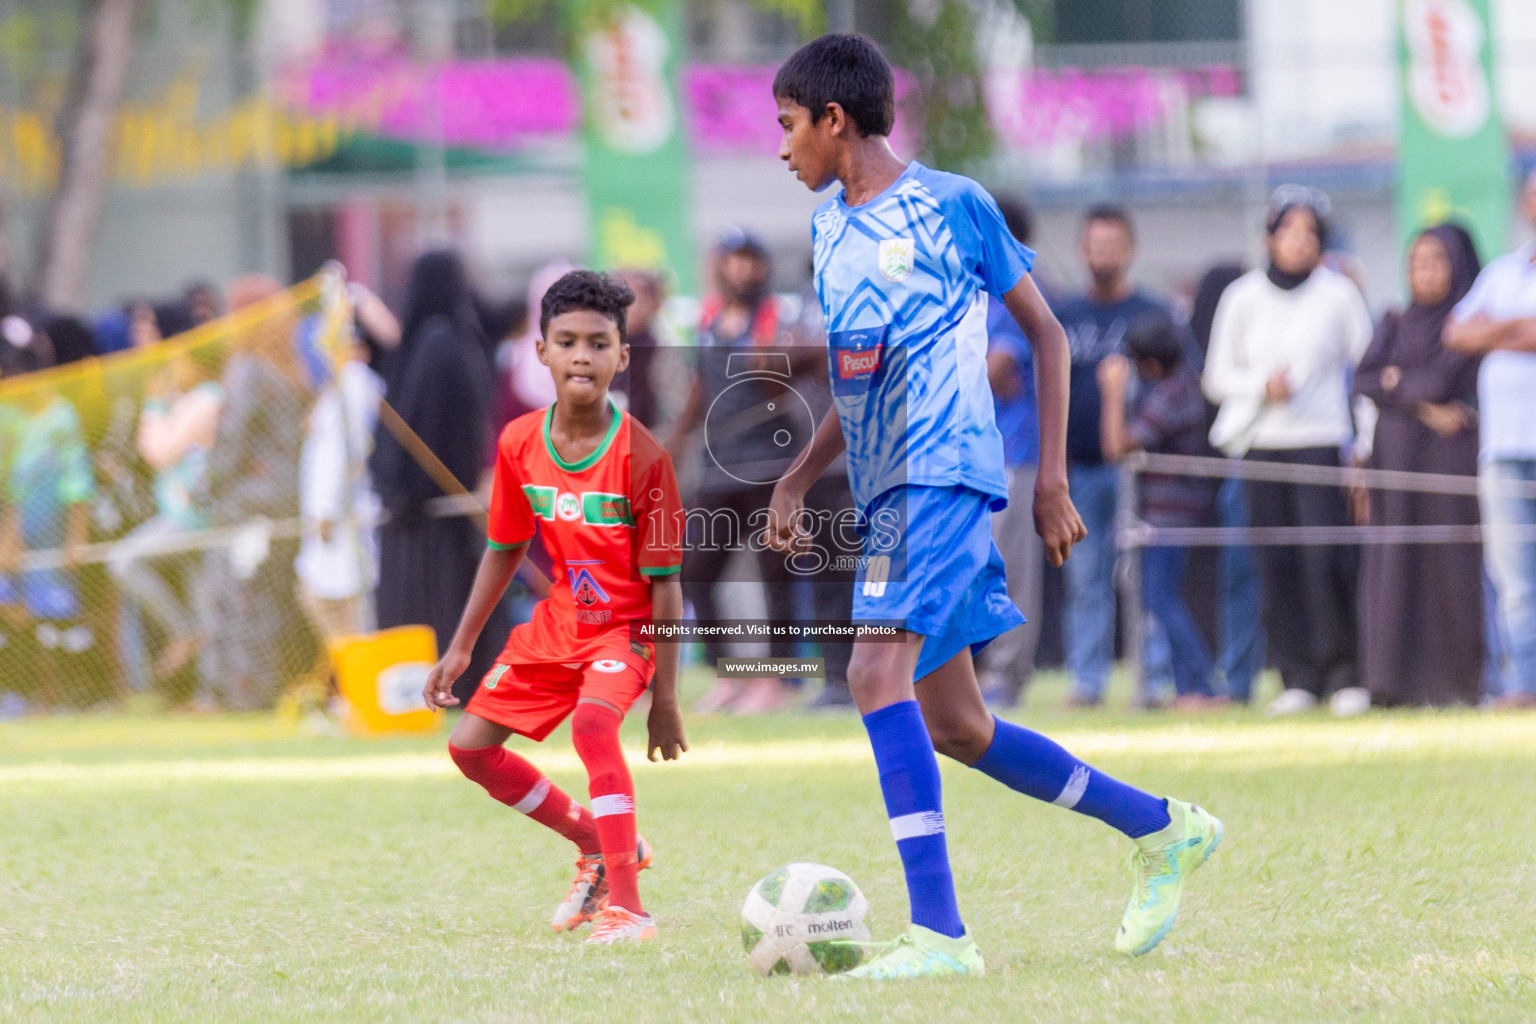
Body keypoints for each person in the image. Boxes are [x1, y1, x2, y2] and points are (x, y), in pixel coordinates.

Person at [765, 34, 1223, 979]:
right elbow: (861, 388)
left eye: (788, 127)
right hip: (888, 484)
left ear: (834, 119)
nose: (783, 150)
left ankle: (939, 937)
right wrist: (799, 475)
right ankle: (1164, 829)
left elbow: (1049, 338)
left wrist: (1049, 477)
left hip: (947, 471)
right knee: (958, 726)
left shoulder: (953, 204)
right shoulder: (826, 231)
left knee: (868, 677)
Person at [422, 270, 686, 945]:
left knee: (594, 728)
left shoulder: (644, 458)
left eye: (598, 344)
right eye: (565, 341)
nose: (581, 356)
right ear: (539, 351)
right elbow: (505, 548)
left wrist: (666, 699)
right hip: (557, 626)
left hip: (625, 631)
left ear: (622, 357)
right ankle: (597, 843)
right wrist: (460, 646)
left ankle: (628, 909)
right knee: (470, 749)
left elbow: (666, 587)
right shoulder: (517, 443)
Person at [1202, 187, 1373, 716]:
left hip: (1320, 444)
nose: (1299, 243)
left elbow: (1364, 373)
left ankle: (1345, 673)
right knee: (1275, 563)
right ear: (1269, 236)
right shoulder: (1242, 297)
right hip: (1262, 448)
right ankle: (1297, 677)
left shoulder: (1338, 294)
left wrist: (1363, 447)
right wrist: (1260, 386)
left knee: (1327, 560)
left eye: (1310, 234)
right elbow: (1215, 377)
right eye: (1289, 231)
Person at [664, 230, 802, 714]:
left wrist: (769, 356)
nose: (742, 270)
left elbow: (786, 382)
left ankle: (777, 680)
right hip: (718, 467)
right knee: (694, 571)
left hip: (771, 464)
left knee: (775, 575)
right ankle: (730, 675)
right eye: (733, 260)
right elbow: (700, 386)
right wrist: (677, 441)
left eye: (750, 260)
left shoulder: (778, 317)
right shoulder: (706, 318)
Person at [1351, 224, 1484, 708]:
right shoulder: (1393, 321)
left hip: (1446, 464)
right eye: (1416, 263)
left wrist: (1399, 385)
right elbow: (1366, 378)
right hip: (1395, 461)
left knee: (1448, 563)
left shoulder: (1466, 325)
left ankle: (1455, 683)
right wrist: (1425, 406)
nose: (1424, 273)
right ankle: (1391, 683)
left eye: (1436, 262)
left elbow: (1441, 376)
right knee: (1394, 561)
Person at [371, 251, 508, 706]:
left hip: (428, 511)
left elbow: (421, 430)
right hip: (449, 505)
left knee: (433, 604)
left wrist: (402, 491)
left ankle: (440, 688)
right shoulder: (462, 341)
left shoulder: (435, 345)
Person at [1053, 205, 1173, 707]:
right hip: (1079, 471)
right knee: (1085, 581)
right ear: (1083, 250)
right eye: (1094, 245)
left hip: (1140, 471)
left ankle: (1155, 679)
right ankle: (1088, 681)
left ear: (1131, 250)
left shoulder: (1154, 313)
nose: (1102, 255)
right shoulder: (1064, 316)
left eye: (1112, 245)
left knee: (1146, 581)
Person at [1445, 170, 1536, 710]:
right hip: (1502, 451)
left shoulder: (1500, 289)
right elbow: (1457, 333)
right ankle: (1521, 685)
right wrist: (1517, 327)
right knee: (1513, 579)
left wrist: (1495, 329)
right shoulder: (1504, 272)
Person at [1098, 312, 1221, 707]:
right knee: (1160, 598)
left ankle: (1200, 685)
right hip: (1173, 510)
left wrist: (1112, 392)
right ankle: (1189, 685)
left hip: (1171, 513)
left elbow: (1118, 447)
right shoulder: (1182, 384)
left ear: (1149, 363)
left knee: (1160, 599)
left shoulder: (1172, 394)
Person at [976, 197, 1045, 709]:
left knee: (1010, 571)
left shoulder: (1012, 298)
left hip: (1011, 454)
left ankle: (1008, 674)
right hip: (962, 458)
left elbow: (998, 371)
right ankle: (976, 674)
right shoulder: (964, 297)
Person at [1187, 263, 1265, 703]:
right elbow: (1213, 380)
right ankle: (1234, 680)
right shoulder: (1235, 312)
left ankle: (1243, 679)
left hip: (1254, 456)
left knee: (1250, 573)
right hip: (1225, 460)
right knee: (1238, 575)